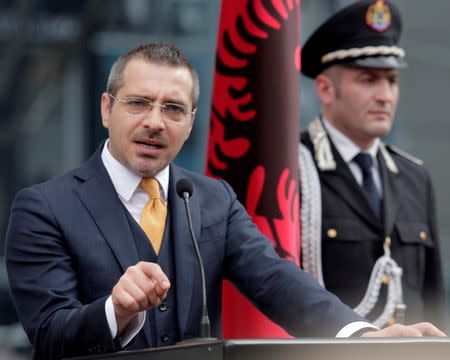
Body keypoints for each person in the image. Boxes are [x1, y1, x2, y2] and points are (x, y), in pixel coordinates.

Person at [5, 42, 444, 360]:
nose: (155, 122)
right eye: (138, 103)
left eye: (173, 108)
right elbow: (49, 334)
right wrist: (113, 311)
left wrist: (359, 335)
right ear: (106, 109)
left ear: (192, 120)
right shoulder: (44, 208)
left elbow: (276, 281)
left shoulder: (211, 198)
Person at [299, 0, 445, 329]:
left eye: (391, 81)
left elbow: (432, 297)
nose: (385, 95)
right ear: (325, 88)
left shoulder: (413, 176)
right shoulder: (293, 170)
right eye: (368, 79)